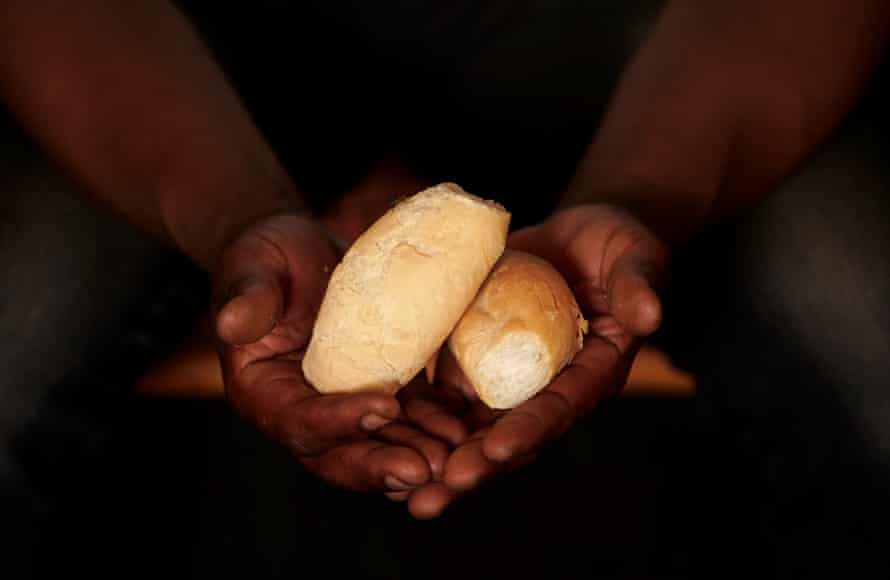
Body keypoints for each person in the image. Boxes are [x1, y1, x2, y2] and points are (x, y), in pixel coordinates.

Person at [2, 1, 889, 573]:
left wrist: (637, 193)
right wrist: (234, 213)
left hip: (640, 55)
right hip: (195, 64)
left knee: (857, 289)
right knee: (20, 296)